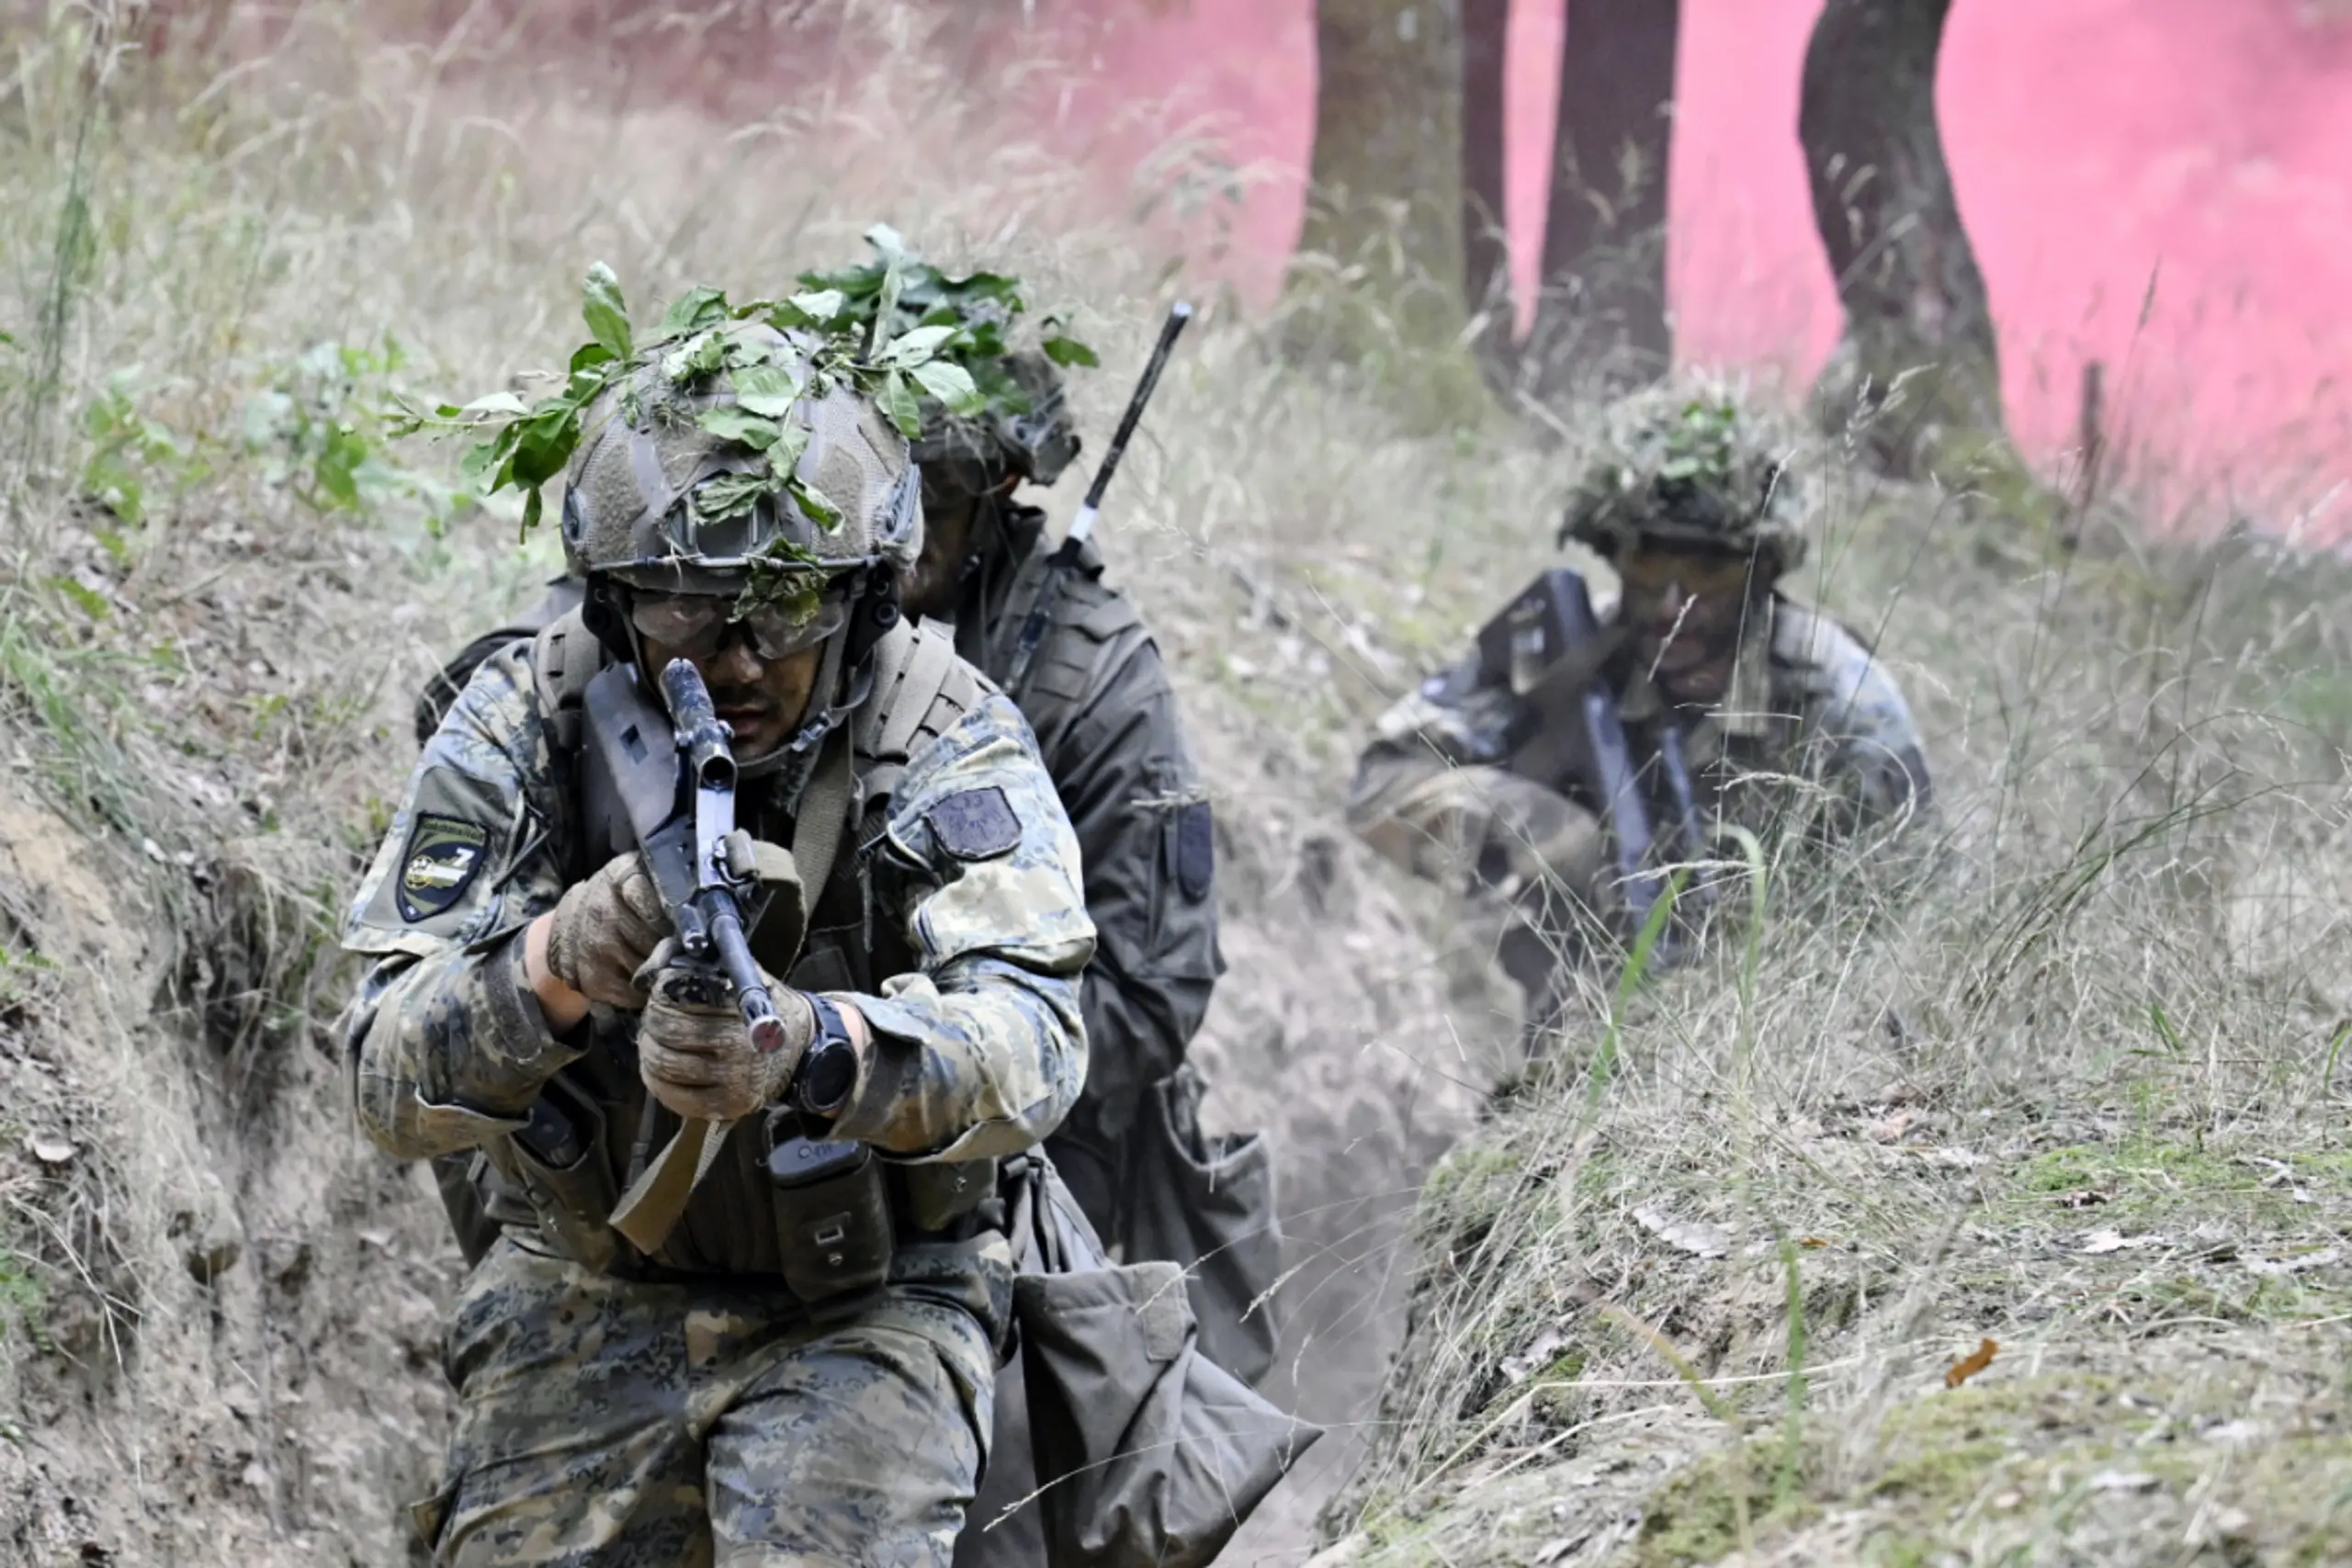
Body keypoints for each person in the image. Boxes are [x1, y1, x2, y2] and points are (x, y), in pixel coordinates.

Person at [413, 256, 1260, 1376]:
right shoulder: (598, 661)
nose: (745, 650)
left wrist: (876, 1060)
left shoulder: (1059, 683)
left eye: (796, 601)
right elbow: (409, 1021)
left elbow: (1133, 1007)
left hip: (956, 1147)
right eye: (708, 602)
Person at [343, 314, 1095, 1566]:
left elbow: (1036, 1039)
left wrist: (820, 1047)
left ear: (861, 597)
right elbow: (382, 1072)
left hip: (868, 1301)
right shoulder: (531, 715)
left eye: (783, 611)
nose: (733, 662)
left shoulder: (942, 732)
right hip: (585, 1282)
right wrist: (552, 970)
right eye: (685, 608)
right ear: (614, 596)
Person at [1347, 383, 1933, 1044]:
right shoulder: (1571, 656)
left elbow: (1916, 936)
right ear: (1615, 554)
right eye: (1651, 558)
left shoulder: (1844, 707)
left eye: (1710, 565)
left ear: (1764, 569)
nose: (1671, 602)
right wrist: (1531, 825)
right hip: (1579, 1041)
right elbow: (1379, 786)